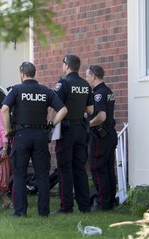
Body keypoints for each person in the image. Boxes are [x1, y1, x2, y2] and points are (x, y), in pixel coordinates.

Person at [1, 61, 68, 217]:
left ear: (22, 74)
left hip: (21, 135)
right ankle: (44, 212)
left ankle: (20, 212)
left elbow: (4, 109)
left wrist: (7, 129)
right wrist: (51, 124)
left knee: (19, 175)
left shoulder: (17, 90)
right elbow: (63, 110)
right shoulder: (45, 91)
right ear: (34, 73)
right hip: (40, 136)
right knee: (42, 175)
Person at [53, 54, 93, 214]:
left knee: (64, 168)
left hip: (66, 130)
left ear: (67, 65)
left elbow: (57, 107)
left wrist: (51, 124)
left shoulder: (63, 84)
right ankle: (84, 206)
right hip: (81, 130)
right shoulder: (85, 84)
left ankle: (66, 206)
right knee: (80, 168)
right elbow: (90, 110)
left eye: (63, 63)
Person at [85, 65, 118, 211]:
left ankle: (102, 202)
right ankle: (110, 201)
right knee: (108, 169)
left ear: (94, 76)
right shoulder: (108, 91)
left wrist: (88, 124)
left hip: (101, 137)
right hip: (110, 135)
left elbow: (101, 116)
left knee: (97, 168)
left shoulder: (98, 93)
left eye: (87, 76)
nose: (87, 79)